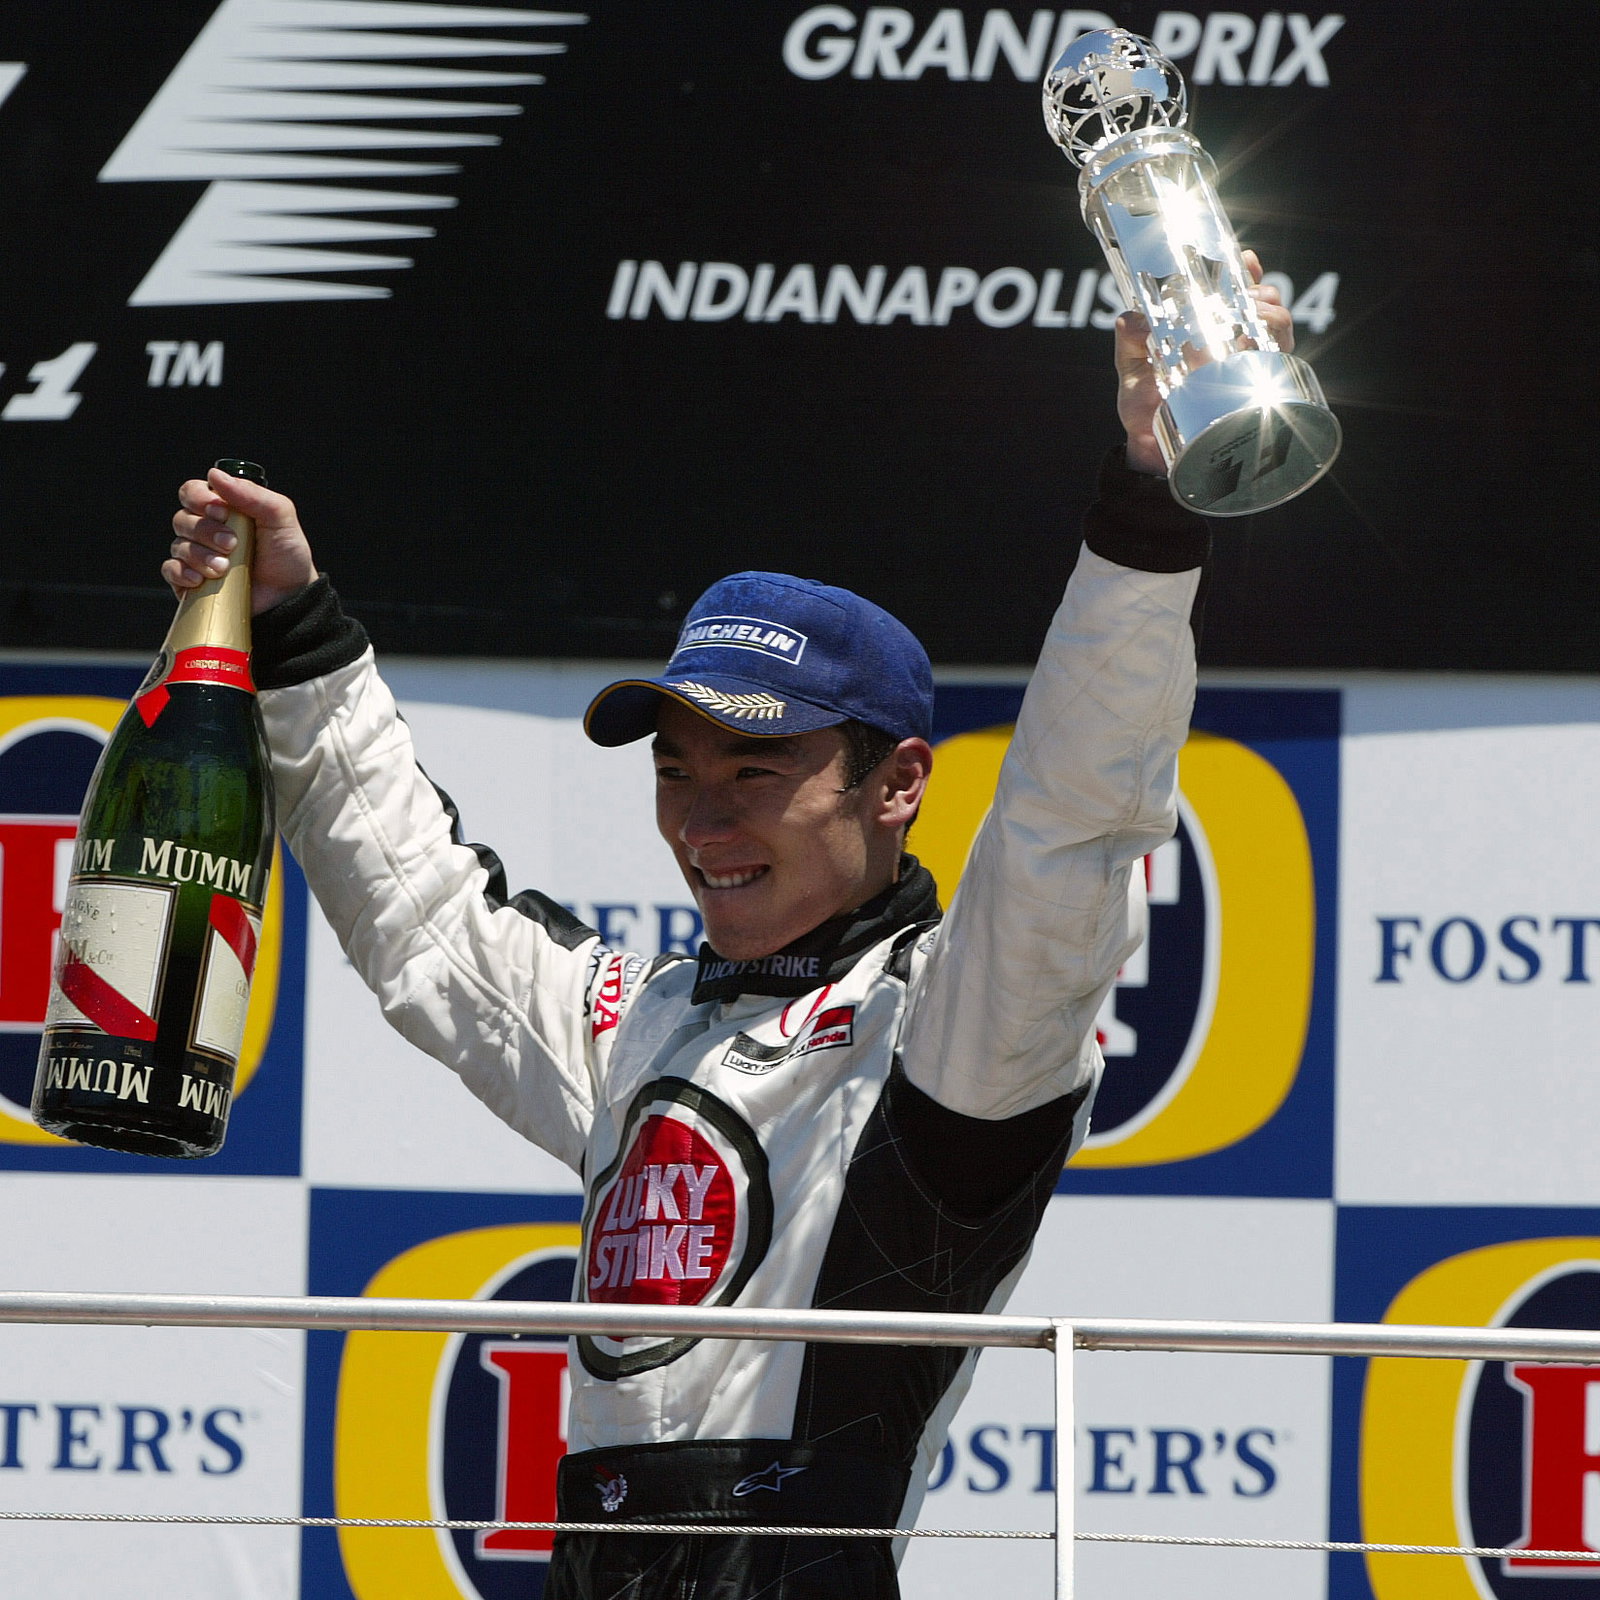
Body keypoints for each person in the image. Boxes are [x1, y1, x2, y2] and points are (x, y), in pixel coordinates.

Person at [167, 261, 1291, 1599]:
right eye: (675, 772)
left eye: (756, 774)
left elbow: (1071, 819)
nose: (704, 819)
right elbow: (420, 907)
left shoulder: (953, 1032)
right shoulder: (639, 1019)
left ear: (900, 785)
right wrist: (295, 624)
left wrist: (1150, 504)